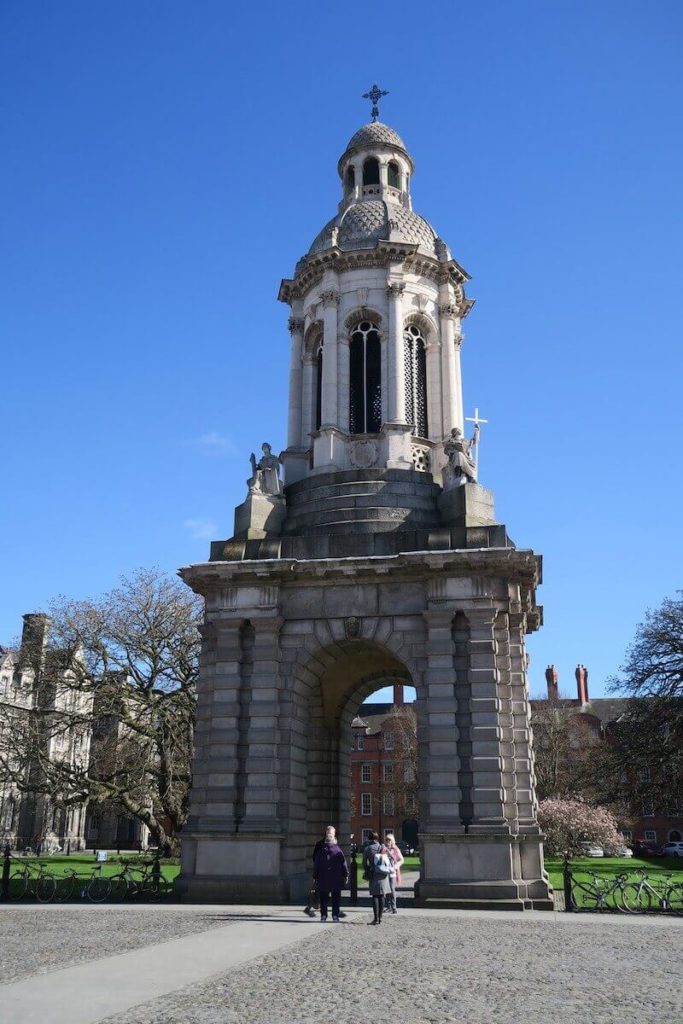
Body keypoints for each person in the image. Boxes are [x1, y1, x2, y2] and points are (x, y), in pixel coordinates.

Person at [304, 826, 347, 918]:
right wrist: (345, 874)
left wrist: (316, 874)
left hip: (325, 875)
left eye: (333, 833)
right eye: (332, 833)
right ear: (328, 833)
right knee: (325, 895)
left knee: (324, 895)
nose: (333, 834)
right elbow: (343, 863)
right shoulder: (323, 845)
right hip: (330, 875)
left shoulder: (332, 845)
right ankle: (331, 913)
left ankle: (326, 913)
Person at [362, 831, 393, 925]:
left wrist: (368, 869)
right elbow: (392, 858)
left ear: (370, 839)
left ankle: (376, 919)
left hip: (374, 874)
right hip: (383, 875)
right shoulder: (383, 847)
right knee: (382, 896)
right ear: (377, 838)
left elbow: (364, 863)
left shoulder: (368, 849)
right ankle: (380, 918)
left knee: (375, 896)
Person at [384, 833, 404, 914]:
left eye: (389, 840)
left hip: (392, 872)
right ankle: (388, 906)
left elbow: (401, 860)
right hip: (385, 871)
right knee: (386, 890)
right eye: (386, 840)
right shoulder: (384, 849)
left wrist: (395, 866)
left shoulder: (395, 849)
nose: (387, 841)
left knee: (392, 889)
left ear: (392, 841)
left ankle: (394, 907)